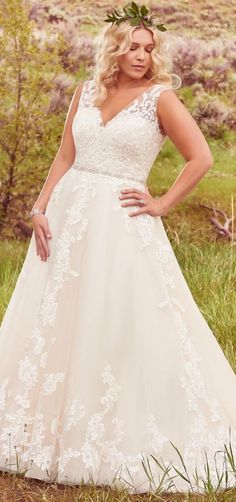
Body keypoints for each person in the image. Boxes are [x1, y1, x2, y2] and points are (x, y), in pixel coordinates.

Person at [0, 2, 236, 495]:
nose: (142, 55)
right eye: (133, 45)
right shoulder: (86, 92)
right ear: (114, 47)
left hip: (123, 226)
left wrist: (164, 203)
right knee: (56, 321)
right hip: (67, 220)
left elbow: (203, 157)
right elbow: (67, 154)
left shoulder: (161, 97)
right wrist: (40, 208)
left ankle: (110, 435)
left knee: (116, 320)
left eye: (150, 48)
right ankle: (41, 432)